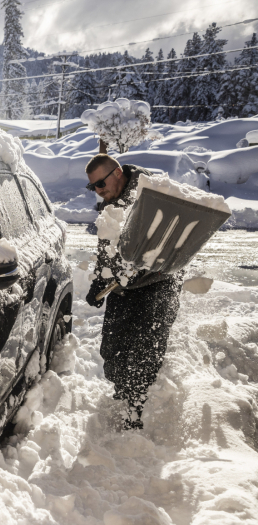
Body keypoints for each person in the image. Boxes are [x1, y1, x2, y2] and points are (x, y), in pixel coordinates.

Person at [84, 154, 183, 430]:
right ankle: (125, 390)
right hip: (123, 284)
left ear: (117, 173)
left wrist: (139, 271)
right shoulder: (109, 201)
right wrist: (99, 280)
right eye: (92, 187)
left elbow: (172, 242)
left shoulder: (152, 193)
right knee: (113, 349)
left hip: (158, 284)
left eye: (100, 184)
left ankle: (136, 411)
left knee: (143, 352)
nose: (98, 191)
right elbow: (108, 244)